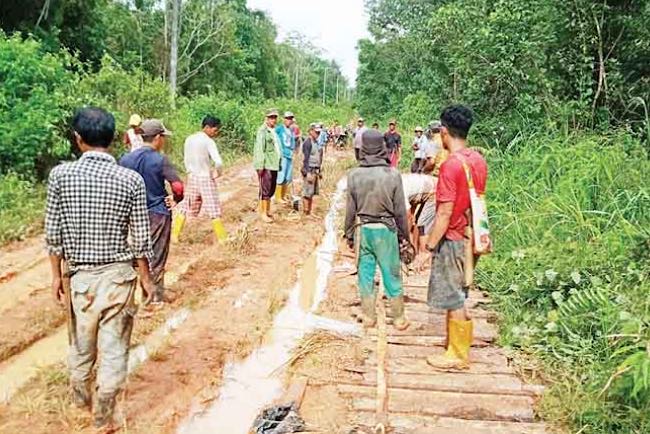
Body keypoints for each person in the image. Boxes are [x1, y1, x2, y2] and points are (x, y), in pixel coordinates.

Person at [45, 107, 155, 429]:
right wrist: (146, 279)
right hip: (120, 280)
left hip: (80, 279)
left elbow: (53, 235)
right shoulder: (130, 180)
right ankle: (103, 419)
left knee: (81, 346)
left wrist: (55, 276)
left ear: (78, 139)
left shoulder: (60, 176)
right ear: (112, 138)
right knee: (115, 350)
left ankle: (80, 406)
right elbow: (140, 238)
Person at [423, 105, 488, 370]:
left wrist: (429, 244)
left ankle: (458, 356)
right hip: (470, 235)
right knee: (460, 289)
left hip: (452, 237)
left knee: (453, 295)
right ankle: (453, 343)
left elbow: (445, 212)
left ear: (444, 132)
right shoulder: (478, 160)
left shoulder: (450, 165)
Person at [344, 128, 410, 331]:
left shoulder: (354, 175)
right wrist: (404, 235)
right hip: (386, 230)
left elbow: (350, 209)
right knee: (391, 273)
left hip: (364, 229)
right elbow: (400, 210)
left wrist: (348, 234)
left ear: (363, 149)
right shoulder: (392, 174)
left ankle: (368, 315)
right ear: (383, 148)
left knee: (365, 273)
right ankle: (398, 318)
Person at [120, 119, 183, 304]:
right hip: (157, 212)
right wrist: (175, 199)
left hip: (132, 213)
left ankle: (136, 294)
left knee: (137, 252)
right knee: (156, 254)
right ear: (157, 137)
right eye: (163, 137)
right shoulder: (159, 159)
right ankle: (154, 297)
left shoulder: (125, 159)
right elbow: (178, 186)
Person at [172, 116, 228, 243]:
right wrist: (217, 174)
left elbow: (186, 159)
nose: (216, 132)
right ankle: (222, 238)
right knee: (213, 208)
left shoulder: (189, 139)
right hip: (205, 177)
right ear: (207, 127)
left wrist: (189, 172)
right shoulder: (208, 141)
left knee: (186, 205)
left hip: (192, 176)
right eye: (215, 129)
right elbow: (218, 162)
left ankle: (175, 235)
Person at [254, 109, 281, 223]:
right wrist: (260, 165)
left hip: (274, 164)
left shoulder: (273, 131)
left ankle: (268, 210)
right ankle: (263, 213)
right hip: (267, 164)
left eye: (275, 117)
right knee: (265, 189)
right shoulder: (263, 131)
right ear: (266, 118)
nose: (273, 120)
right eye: (271, 117)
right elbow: (260, 148)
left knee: (271, 189)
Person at [401, 173, 436, 256]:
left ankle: (424, 257)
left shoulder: (400, 191)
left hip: (434, 192)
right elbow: (411, 216)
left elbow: (408, 218)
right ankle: (415, 254)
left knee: (423, 225)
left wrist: (404, 240)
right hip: (423, 191)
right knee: (416, 221)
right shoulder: (397, 184)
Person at [301, 124, 323, 216]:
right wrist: (307, 172)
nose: (317, 134)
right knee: (307, 192)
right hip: (309, 170)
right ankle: (306, 212)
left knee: (311, 192)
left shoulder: (316, 142)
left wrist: (319, 171)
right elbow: (305, 158)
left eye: (319, 132)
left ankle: (309, 211)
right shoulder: (308, 142)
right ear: (310, 131)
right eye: (316, 132)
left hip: (315, 171)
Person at [275, 111, 296, 204]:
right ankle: (278, 197)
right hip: (282, 155)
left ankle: (283, 196)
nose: (289, 120)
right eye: (287, 118)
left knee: (287, 176)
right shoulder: (279, 129)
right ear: (284, 119)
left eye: (290, 118)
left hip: (289, 155)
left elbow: (293, 143)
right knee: (281, 175)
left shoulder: (291, 131)